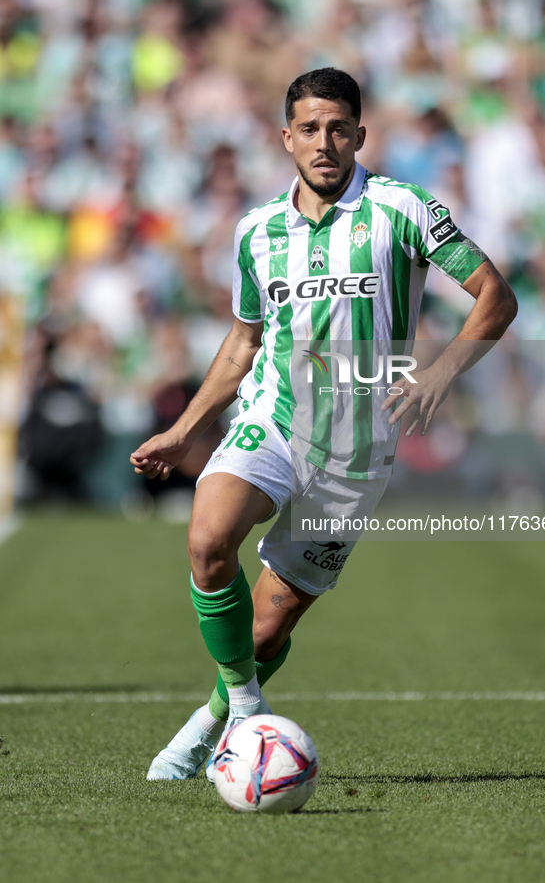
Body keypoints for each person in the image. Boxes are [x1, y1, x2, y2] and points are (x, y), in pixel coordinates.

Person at [130, 67, 517, 781]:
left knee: (269, 626)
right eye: (309, 128)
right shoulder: (256, 232)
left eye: (338, 128)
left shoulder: (402, 209)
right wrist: (187, 427)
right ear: (285, 138)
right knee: (208, 538)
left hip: (354, 450)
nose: (324, 142)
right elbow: (245, 340)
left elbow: (493, 293)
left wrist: (439, 374)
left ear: (359, 135)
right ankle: (248, 715)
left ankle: (212, 717)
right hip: (272, 420)